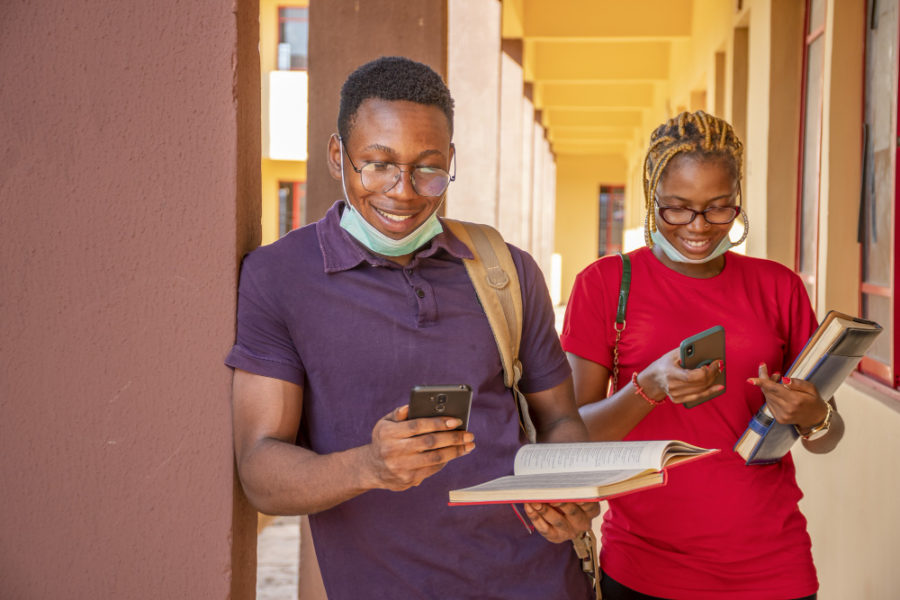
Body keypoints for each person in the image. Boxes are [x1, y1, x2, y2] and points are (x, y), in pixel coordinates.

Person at [226, 56, 598, 599]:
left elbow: (559, 417)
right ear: (338, 156)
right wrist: (370, 466)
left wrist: (568, 493)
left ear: (450, 160)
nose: (403, 191)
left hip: (541, 580)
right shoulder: (279, 276)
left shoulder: (504, 269)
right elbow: (260, 468)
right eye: (377, 164)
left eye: (427, 168)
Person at [560, 110, 844, 600]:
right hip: (645, 567)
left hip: (773, 566)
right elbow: (570, 440)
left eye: (718, 208)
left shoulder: (779, 287)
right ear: (653, 198)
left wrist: (814, 414)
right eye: (677, 208)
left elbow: (827, 436)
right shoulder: (606, 285)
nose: (699, 226)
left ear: (736, 202)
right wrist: (647, 387)